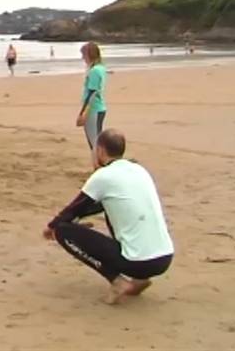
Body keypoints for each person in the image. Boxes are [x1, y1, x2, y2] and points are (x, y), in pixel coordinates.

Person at [43, 129, 174, 305]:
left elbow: (74, 209)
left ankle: (117, 281)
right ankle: (139, 280)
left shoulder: (102, 177)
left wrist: (52, 226)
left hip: (137, 262)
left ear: (100, 151)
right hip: (164, 258)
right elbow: (99, 206)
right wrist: (76, 219)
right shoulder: (138, 169)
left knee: (61, 230)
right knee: (118, 213)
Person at [76, 42, 108, 169]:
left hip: (94, 109)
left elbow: (92, 93)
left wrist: (83, 113)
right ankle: (100, 166)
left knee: (94, 142)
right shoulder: (100, 68)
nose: (82, 58)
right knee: (96, 140)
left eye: (83, 54)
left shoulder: (95, 71)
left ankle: (98, 167)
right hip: (98, 108)